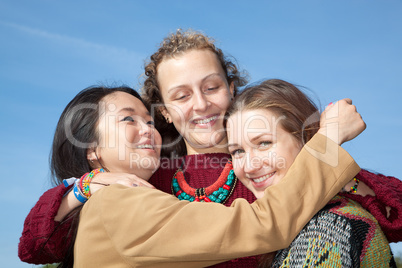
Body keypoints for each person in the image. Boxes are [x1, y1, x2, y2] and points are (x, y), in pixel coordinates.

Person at [18, 29, 402, 267]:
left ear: (232, 88)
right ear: (166, 111)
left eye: (212, 87)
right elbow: (37, 246)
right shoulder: (145, 181)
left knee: (337, 223)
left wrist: (321, 154)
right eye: (182, 96)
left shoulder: (280, 161)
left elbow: (393, 210)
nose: (200, 105)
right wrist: (82, 187)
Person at [42, 84, 360, 267]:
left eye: (150, 121)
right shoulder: (116, 204)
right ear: (92, 150)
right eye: (129, 120)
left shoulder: (119, 199)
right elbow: (265, 224)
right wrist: (329, 138)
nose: (147, 129)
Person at [225, 79, 396, 267]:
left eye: (264, 143)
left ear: (307, 139)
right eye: (237, 151)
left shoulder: (324, 230)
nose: (249, 166)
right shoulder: (297, 225)